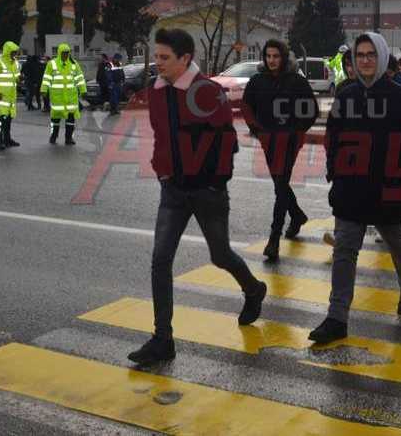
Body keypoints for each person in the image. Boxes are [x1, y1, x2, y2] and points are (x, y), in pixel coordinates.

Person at [127, 28, 267, 365]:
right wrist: (162, 170)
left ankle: (253, 289)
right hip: (172, 190)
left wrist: (214, 183)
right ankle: (163, 339)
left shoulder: (208, 92)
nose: (157, 63)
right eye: (156, 56)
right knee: (160, 260)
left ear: (185, 59)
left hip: (207, 192)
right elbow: (162, 138)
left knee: (220, 255)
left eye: (164, 58)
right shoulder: (157, 93)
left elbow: (226, 143)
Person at [308, 32, 401, 345]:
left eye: (371, 54)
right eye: (360, 55)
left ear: (382, 56)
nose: (366, 60)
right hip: (351, 187)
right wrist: (334, 171)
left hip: (389, 189)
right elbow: (333, 137)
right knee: (345, 250)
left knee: (397, 243)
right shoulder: (346, 96)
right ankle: (337, 317)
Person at [242, 39, 318, 262]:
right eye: (268, 56)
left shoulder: (296, 81)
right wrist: (255, 128)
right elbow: (247, 106)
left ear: (283, 57)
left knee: (280, 182)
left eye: (276, 56)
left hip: (290, 139)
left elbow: (311, 109)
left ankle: (274, 238)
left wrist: (297, 130)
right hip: (268, 139)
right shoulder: (257, 81)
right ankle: (297, 216)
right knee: (280, 182)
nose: (272, 60)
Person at [40, 44, 87, 145]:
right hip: (58, 98)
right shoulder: (52, 64)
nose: (66, 55)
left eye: (67, 53)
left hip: (71, 98)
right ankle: (53, 136)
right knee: (55, 120)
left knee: (71, 120)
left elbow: (80, 78)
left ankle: (68, 138)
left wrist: (83, 90)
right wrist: (44, 90)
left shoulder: (74, 64)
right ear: (59, 53)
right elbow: (46, 78)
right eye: (64, 53)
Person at [0, 41, 21, 151]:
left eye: (15, 53)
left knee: (8, 119)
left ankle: (7, 140)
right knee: (1, 118)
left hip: (11, 96)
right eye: (13, 52)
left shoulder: (15, 63)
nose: (15, 54)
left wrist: (20, 79)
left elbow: (16, 76)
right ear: (8, 52)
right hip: (2, 96)